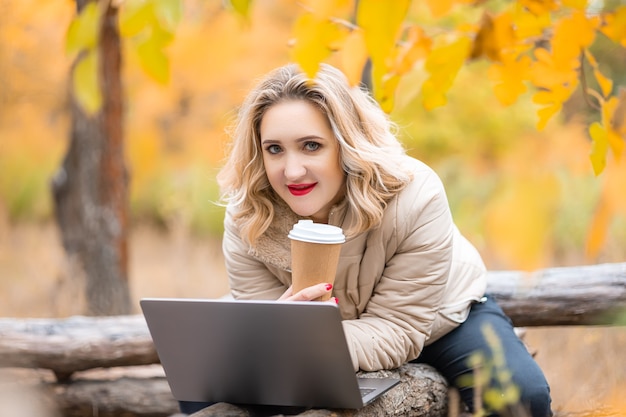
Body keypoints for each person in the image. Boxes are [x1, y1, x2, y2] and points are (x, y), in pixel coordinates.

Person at [182, 63, 552, 416]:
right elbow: (269, 329)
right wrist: (282, 330)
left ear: (347, 143)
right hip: (317, 344)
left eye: (311, 145)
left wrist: (310, 343)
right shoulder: (248, 215)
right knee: (225, 401)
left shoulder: (415, 196)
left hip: (439, 321)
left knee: (520, 396)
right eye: (274, 149)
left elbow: (399, 328)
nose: (292, 171)